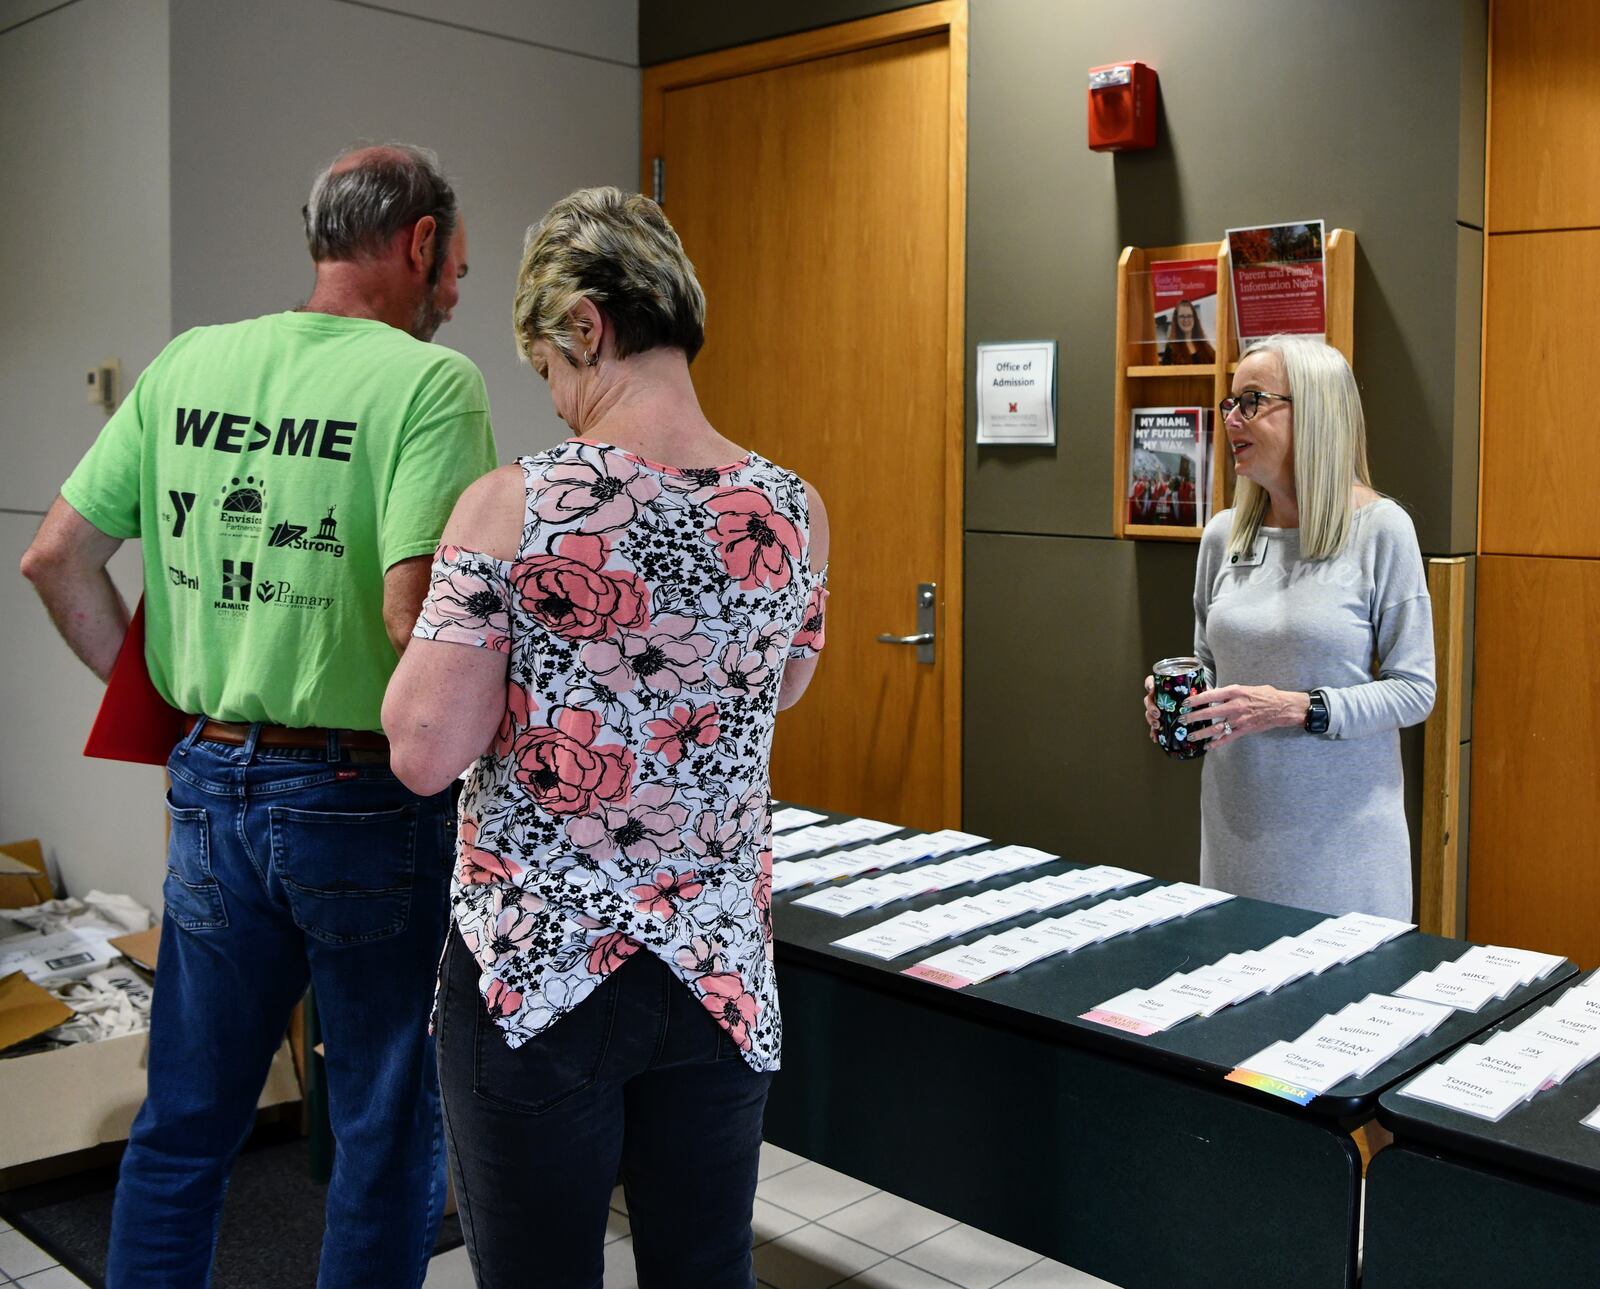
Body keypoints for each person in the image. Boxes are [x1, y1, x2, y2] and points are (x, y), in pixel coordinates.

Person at [20, 144, 498, 1288]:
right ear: (418, 243)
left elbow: (54, 559)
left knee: (185, 1120)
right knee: (384, 1129)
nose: (457, 297)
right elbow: (413, 617)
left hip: (211, 783)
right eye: (460, 271)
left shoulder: (191, 361)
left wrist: (173, 703)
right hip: (362, 802)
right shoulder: (431, 385)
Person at [383, 186, 830, 1289]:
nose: (555, 397)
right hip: (716, 971)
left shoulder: (511, 504)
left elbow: (424, 750)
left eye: (548, 367)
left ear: (585, 324)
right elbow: (782, 688)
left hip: (540, 972)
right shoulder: (791, 508)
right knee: (703, 1270)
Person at [1141, 335, 1435, 920]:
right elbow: (1210, 664)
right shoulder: (1225, 534)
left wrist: (1300, 708)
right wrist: (1180, 704)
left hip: (1344, 851)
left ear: (1317, 410)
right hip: (1235, 838)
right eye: (1228, 404)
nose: (1231, 419)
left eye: (1251, 401)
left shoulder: (1382, 530)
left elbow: (1414, 690)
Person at [1159, 298, 1216, 366]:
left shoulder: (1204, 344)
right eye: (1182, 316)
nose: (1186, 320)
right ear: (1176, 320)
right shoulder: (1171, 347)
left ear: (1194, 319)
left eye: (1189, 316)